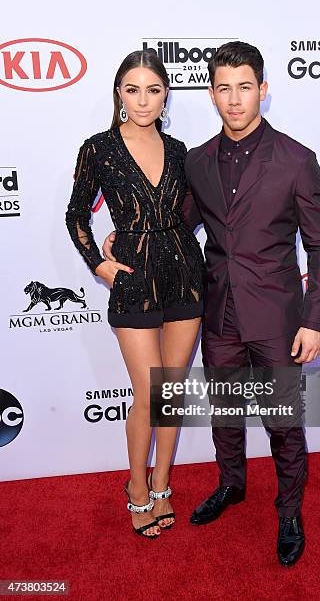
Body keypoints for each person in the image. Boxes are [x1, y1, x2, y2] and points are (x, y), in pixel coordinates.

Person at [102, 41, 320, 564]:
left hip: (278, 316)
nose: (235, 99)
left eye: (245, 87)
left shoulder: (298, 160)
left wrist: (315, 319)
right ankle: (232, 485)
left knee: (282, 420)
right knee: (226, 414)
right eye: (224, 88)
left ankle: (289, 511)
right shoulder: (198, 160)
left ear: (263, 90)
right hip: (217, 310)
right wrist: (121, 241)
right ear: (212, 94)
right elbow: (174, 225)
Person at [65, 50, 205, 539]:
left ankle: (163, 483)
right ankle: (137, 487)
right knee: (147, 393)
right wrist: (100, 263)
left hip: (185, 274)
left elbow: (192, 214)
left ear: (165, 95)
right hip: (133, 282)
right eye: (133, 89)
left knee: (169, 393)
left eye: (154, 89)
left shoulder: (182, 149)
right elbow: (75, 214)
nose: (143, 100)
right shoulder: (98, 148)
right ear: (119, 95)